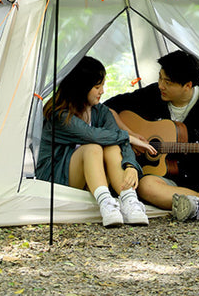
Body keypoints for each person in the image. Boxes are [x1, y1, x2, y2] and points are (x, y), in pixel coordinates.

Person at [106, 50, 199, 222]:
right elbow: (106, 110)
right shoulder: (150, 95)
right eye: (160, 77)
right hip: (167, 182)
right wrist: (130, 135)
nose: (161, 85)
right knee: (145, 186)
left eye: (168, 82)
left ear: (188, 85)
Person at [35, 56, 155, 227]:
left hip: (92, 178)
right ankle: (107, 204)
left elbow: (117, 139)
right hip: (57, 177)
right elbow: (92, 135)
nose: (103, 91)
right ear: (81, 88)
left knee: (112, 145)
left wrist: (130, 166)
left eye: (102, 86)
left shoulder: (101, 111)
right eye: (97, 87)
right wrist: (128, 136)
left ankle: (129, 201)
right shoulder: (58, 114)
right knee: (93, 147)